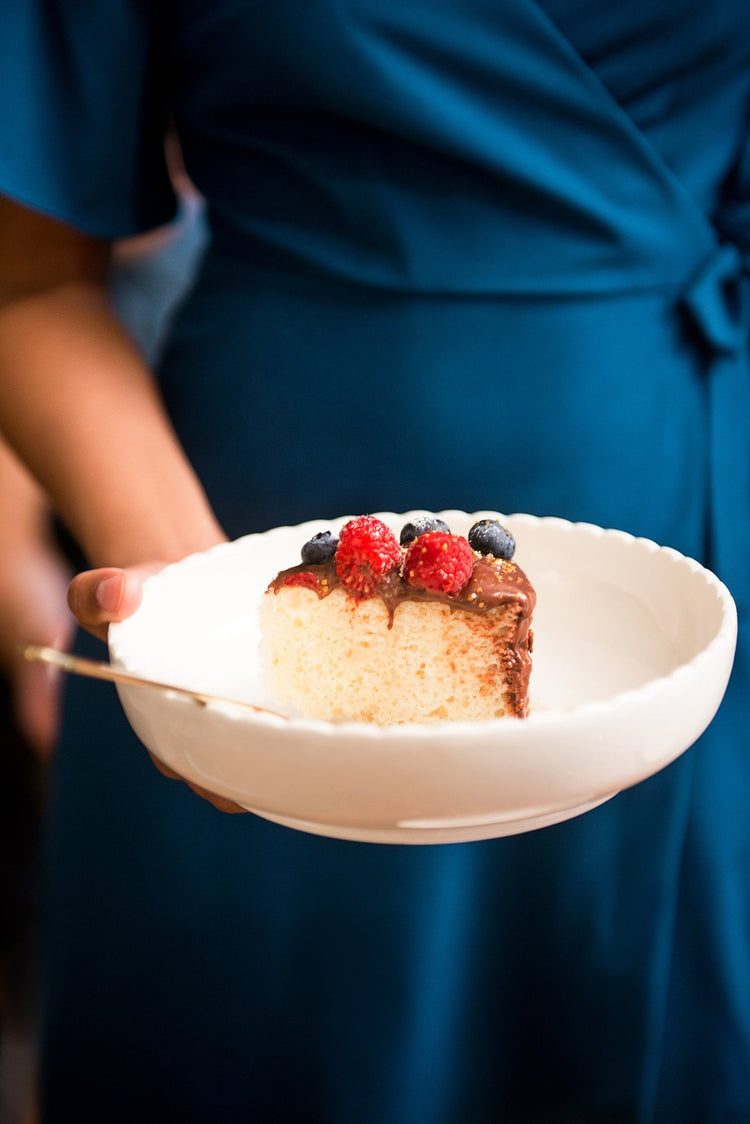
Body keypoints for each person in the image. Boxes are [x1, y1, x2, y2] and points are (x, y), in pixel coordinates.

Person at [0, 1, 748, 1121]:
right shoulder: (214, 588)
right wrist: (176, 581)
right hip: (236, 522)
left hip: (697, 550)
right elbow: (33, 279)